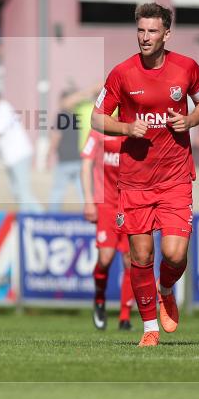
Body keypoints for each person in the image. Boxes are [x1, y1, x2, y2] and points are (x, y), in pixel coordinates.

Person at [91, 2, 199, 347]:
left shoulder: (187, 67)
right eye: (141, 31)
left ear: (166, 34)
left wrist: (189, 120)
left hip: (175, 177)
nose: (145, 37)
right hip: (135, 181)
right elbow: (97, 118)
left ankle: (166, 288)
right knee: (140, 256)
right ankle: (149, 328)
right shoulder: (121, 73)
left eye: (152, 31)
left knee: (174, 254)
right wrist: (127, 127)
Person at [81, 128, 133, 330]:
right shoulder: (99, 129)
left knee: (130, 260)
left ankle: (125, 317)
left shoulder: (138, 127)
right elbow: (86, 164)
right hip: (106, 204)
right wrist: (88, 201)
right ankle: (99, 298)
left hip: (131, 204)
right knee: (105, 258)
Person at [48, 89, 86, 211]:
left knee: (57, 190)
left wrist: (48, 155)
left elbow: (56, 137)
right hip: (78, 159)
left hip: (64, 161)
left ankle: (53, 215)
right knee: (82, 190)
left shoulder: (61, 116)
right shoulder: (76, 116)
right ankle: (87, 214)